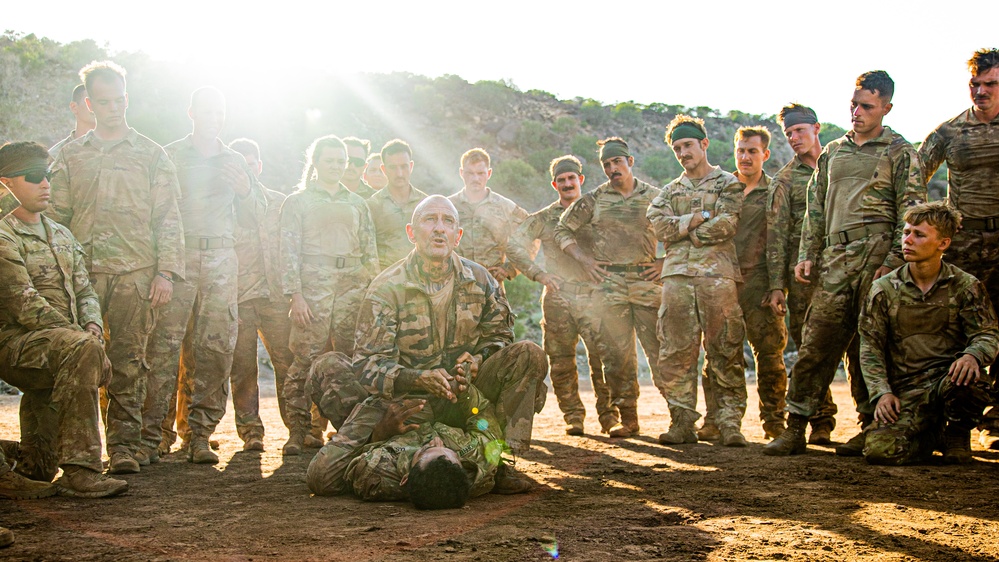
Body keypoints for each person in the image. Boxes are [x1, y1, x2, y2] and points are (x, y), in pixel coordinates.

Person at [305, 194, 546, 497]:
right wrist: (417, 378)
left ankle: (499, 463)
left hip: (463, 398)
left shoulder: (482, 280)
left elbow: (499, 338)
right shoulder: (386, 287)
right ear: (411, 233)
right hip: (405, 403)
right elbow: (369, 365)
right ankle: (381, 444)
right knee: (322, 474)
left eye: (447, 222)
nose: (438, 229)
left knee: (528, 355)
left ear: (457, 236)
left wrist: (478, 360)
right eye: (429, 220)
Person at [765, 70, 926, 456]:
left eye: (867, 106)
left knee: (870, 348)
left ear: (886, 107)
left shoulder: (900, 152)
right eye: (853, 104)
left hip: (878, 261)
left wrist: (892, 262)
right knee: (816, 344)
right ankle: (796, 426)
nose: (857, 112)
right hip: (834, 261)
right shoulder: (834, 152)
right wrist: (807, 256)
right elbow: (815, 210)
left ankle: (871, 426)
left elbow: (913, 210)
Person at [48, 60, 185, 473]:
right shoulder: (71, 155)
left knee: (129, 363)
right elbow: (57, 218)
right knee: (83, 364)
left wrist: (166, 273)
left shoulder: (150, 154)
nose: (113, 108)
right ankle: (79, 453)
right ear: (88, 103)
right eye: (104, 102)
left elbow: (168, 217)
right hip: (82, 279)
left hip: (135, 274)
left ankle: (124, 449)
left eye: (120, 100)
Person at [0, 141, 128, 499]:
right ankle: (83, 472)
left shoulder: (62, 234)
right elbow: (25, 305)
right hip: (16, 347)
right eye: (34, 176)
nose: (45, 184)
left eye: (48, 176)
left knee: (38, 469)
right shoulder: (3, 236)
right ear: (5, 184)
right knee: (81, 350)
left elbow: (86, 291)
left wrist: (93, 330)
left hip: (63, 348)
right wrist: (84, 342)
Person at [141, 87, 262, 465]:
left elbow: (256, 216)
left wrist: (244, 192)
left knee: (215, 349)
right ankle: (154, 436)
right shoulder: (170, 155)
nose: (214, 117)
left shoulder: (235, 161)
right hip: (179, 257)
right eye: (207, 111)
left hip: (221, 258)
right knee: (164, 347)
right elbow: (155, 212)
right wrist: (162, 264)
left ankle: (199, 434)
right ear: (192, 112)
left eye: (220, 112)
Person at [860, 202, 999, 465]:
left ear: (943, 244)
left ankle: (957, 433)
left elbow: (988, 334)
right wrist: (882, 393)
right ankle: (932, 435)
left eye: (919, 235)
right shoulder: (884, 289)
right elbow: (870, 346)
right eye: (905, 232)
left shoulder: (965, 286)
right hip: (905, 391)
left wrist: (972, 355)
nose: (907, 240)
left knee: (972, 379)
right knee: (881, 452)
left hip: (949, 383)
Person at [648, 116, 748, 447]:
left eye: (688, 145)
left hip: (717, 278)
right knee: (676, 352)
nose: (683, 153)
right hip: (676, 279)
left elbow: (727, 224)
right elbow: (658, 227)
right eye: (677, 148)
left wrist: (684, 230)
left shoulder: (728, 183)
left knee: (725, 348)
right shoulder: (668, 191)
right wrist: (698, 218)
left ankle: (728, 421)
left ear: (703, 144)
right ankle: (681, 422)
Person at [918, 48, 999, 449]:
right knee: (959, 332)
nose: (981, 91)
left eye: (990, 84)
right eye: (975, 84)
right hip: (964, 245)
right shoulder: (949, 133)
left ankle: (998, 420)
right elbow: (912, 179)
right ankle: (956, 426)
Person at [554, 138, 662, 438]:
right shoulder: (594, 199)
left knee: (661, 349)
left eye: (617, 162)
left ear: (630, 161)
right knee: (617, 356)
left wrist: (666, 263)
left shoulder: (655, 197)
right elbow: (562, 229)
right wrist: (584, 259)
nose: (612, 168)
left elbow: (679, 230)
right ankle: (628, 419)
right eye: (606, 165)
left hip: (646, 279)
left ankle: (681, 417)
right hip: (609, 283)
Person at [280, 135, 378, 455]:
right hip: (313, 287)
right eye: (329, 161)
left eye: (341, 161)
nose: (336, 166)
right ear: (316, 163)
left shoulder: (357, 203)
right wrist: (295, 295)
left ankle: (349, 430)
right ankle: (299, 430)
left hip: (352, 288)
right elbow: (288, 250)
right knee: (304, 359)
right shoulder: (299, 202)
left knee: (350, 360)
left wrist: (370, 292)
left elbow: (369, 252)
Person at [506, 155, 612, 435]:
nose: (567, 183)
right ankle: (573, 416)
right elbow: (514, 244)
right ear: (555, 184)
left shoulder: (598, 211)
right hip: (558, 296)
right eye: (561, 180)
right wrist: (537, 274)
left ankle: (609, 417)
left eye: (571, 178)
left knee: (604, 358)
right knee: (561, 361)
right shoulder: (543, 218)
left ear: (581, 180)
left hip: (596, 296)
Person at [766, 104, 839, 445]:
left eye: (799, 131)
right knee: (811, 347)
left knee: (854, 345)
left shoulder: (840, 164)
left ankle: (870, 422)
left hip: (844, 267)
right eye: (789, 134)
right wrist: (777, 286)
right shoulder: (784, 179)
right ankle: (820, 421)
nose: (794, 138)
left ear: (816, 128)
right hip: (803, 278)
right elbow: (776, 236)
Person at [709, 126, 788, 441]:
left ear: (765, 154)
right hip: (723, 282)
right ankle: (717, 421)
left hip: (759, 283)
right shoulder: (720, 188)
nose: (745, 157)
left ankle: (774, 422)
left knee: (770, 354)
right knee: (718, 352)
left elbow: (781, 238)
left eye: (752, 151)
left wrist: (778, 285)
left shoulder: (774, 190)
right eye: (740, 150)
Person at [225, 138, 295, 451]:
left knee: (287, 363)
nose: (247, 170)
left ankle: (298, 428)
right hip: (239, 296)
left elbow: (292, 248)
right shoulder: (223, 205)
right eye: (241, 165)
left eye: (252, 164)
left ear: (259, 166)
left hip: (276, 296)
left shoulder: (280, 202)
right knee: (242, 368)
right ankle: (251, 431)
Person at [447, 148, 530, 291]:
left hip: (492, 290)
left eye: (480, 173)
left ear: (489, 174)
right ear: (462, 173)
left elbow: (532, 233)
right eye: (470, 173)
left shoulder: (505, 207)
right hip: (456, 289)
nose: (475, 178)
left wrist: (510, 268)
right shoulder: (448, 206)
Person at [365, 139, 428, 270]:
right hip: (386, 281)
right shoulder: (372, 206)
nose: (399, 173)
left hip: (421, 280)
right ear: (384, 169)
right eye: (393, 167)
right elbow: (367, 252)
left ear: (411, 166)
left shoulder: (426, 204)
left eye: (403, 167)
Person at [48, 84, 95, 157]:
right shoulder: (57, 155)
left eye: (102, 102)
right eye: (89, 102)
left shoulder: (116, 149)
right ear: (74, 107)